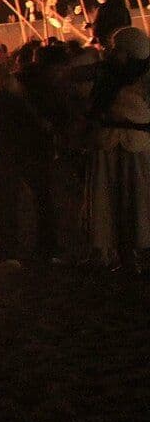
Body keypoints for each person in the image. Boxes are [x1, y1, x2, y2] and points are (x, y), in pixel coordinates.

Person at [85, 26, 150, 269]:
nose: (113, 53)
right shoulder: (107, 75)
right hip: (108, 143)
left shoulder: (145, 77)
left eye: (118, 49)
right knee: (107, 199)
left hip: (137, 146)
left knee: (139, 199)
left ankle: (137, 252)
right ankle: (109, 252)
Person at [0, 60, 58, 266]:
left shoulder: (8, 92)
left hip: (9, 149)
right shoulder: (44, 91)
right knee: (42, 199)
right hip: (30, 149)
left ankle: (10, 251)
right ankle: (47, 248)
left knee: (9, 201)